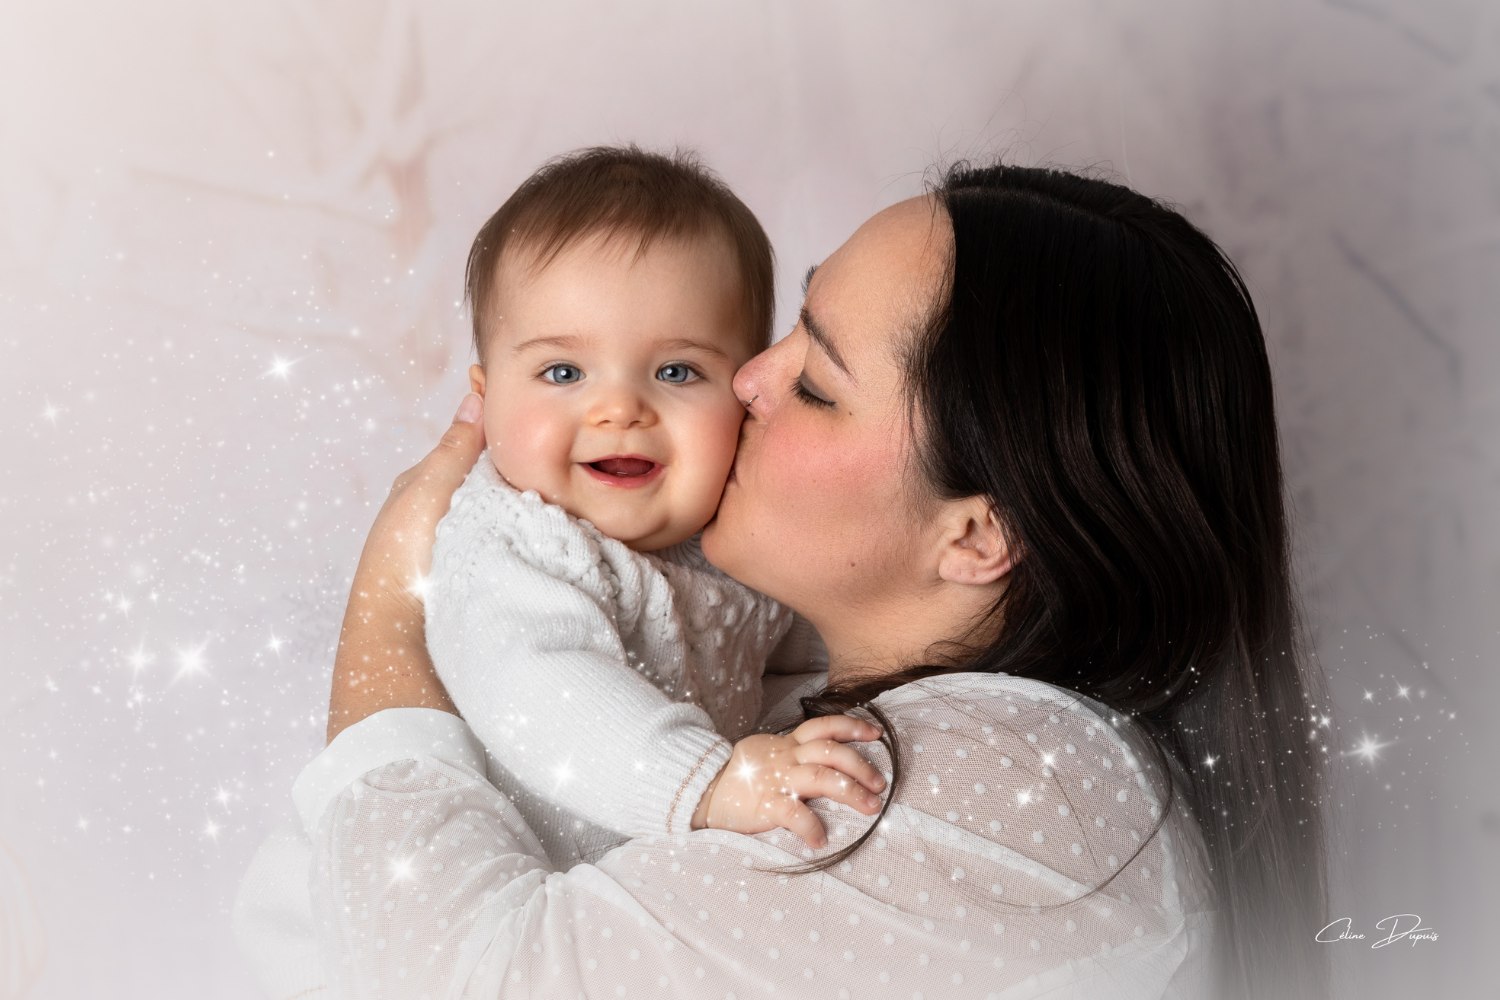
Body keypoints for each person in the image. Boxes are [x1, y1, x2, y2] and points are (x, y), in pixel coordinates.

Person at [260, 162, 1331, 999]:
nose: (748, 380)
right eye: (785, 337)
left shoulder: (1033, 791)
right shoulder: (862, 712)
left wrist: (391, 603)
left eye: (816, 383)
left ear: (974, 537)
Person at [426, 145, 883, 870]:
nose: (620, 409)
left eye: (677, 370)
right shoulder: (509, 542)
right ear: (485, 399)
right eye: (563, 372)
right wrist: (709, 783)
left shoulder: (727, 535)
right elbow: (539, 692)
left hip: (640, 892)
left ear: (745, 391)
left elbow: (809, 641)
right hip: (476, 893)